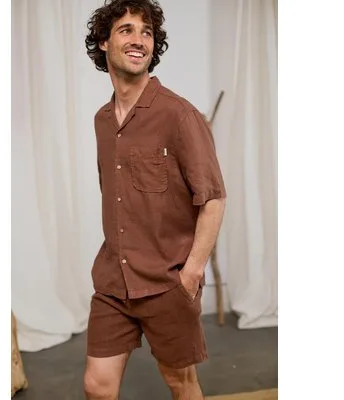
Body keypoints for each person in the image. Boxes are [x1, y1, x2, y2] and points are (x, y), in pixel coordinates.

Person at [84, 1, 226, 398]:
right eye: (126, 30)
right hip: (113, 281)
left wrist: (191, 274)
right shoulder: (102, 120)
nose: (139, 40)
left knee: (180, 382)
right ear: (103, 43)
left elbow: (213, 199)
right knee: (96, 385)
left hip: (166, 282)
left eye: (146, 32)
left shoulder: (180, 115)